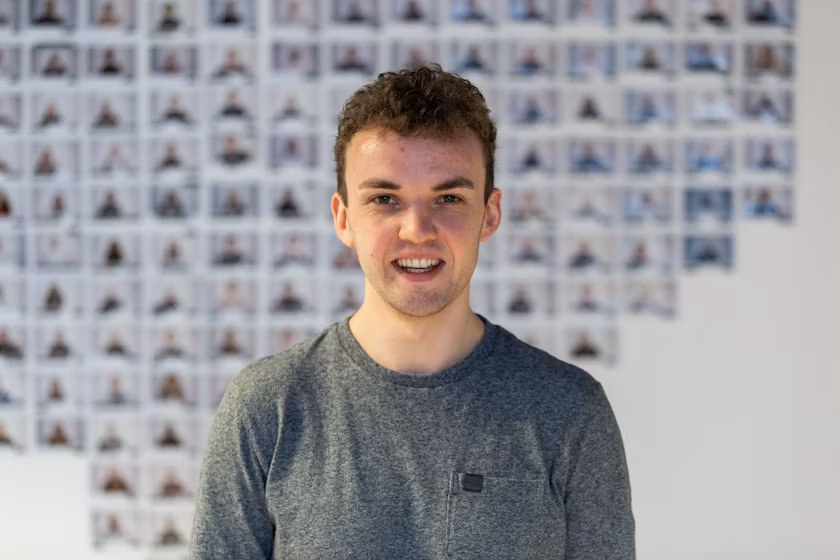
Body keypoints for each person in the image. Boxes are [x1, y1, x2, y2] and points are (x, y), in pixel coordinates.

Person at [189, 63, 634, 559]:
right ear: (343, 218)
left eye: (449, 198)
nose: (417, 229)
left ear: (489, 214)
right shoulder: (265, 408)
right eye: (385, 198)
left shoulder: (571, 413)